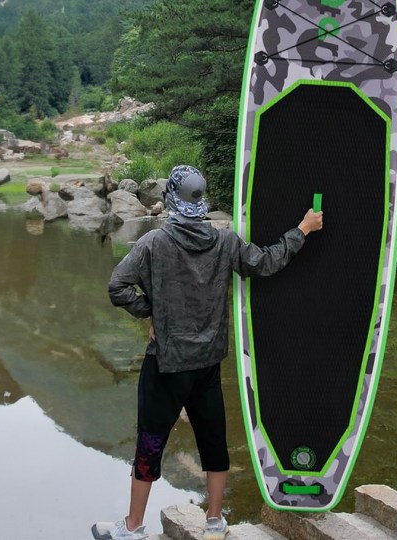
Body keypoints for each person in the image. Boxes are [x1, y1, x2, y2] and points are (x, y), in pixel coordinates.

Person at [92, 165, 323, 540]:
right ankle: (215, 522)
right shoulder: (226, 242)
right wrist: (303, 230)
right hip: (207, 364)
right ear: (201, 201)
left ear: (170, 198)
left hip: (166, 364)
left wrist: (151, 312)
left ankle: (132, 528)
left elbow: (118, 286)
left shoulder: (153, 243)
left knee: (150, 442)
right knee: (213, 441)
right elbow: (267, 262)